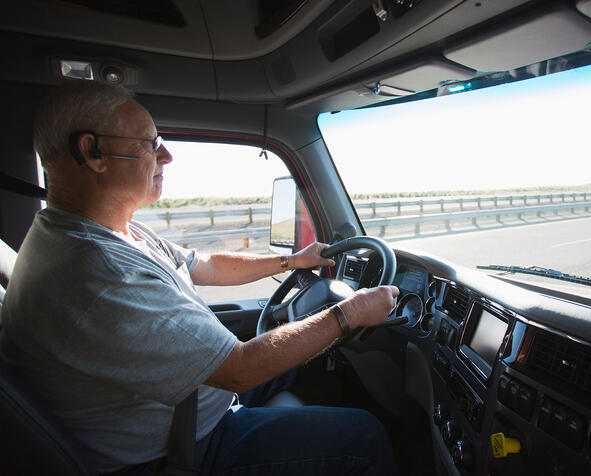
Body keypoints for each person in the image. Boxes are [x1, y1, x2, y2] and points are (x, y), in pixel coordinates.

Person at [0, 82, 399, 475]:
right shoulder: (96, 272)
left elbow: (205, 265)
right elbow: (240, 368)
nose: (167, 155)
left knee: (304, 368)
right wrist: (352, 312)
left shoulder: (110, 230)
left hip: (189, 407)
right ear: (93, 151)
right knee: (363, 436)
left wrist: (292, 261)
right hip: (179, 450)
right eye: (150, 143)